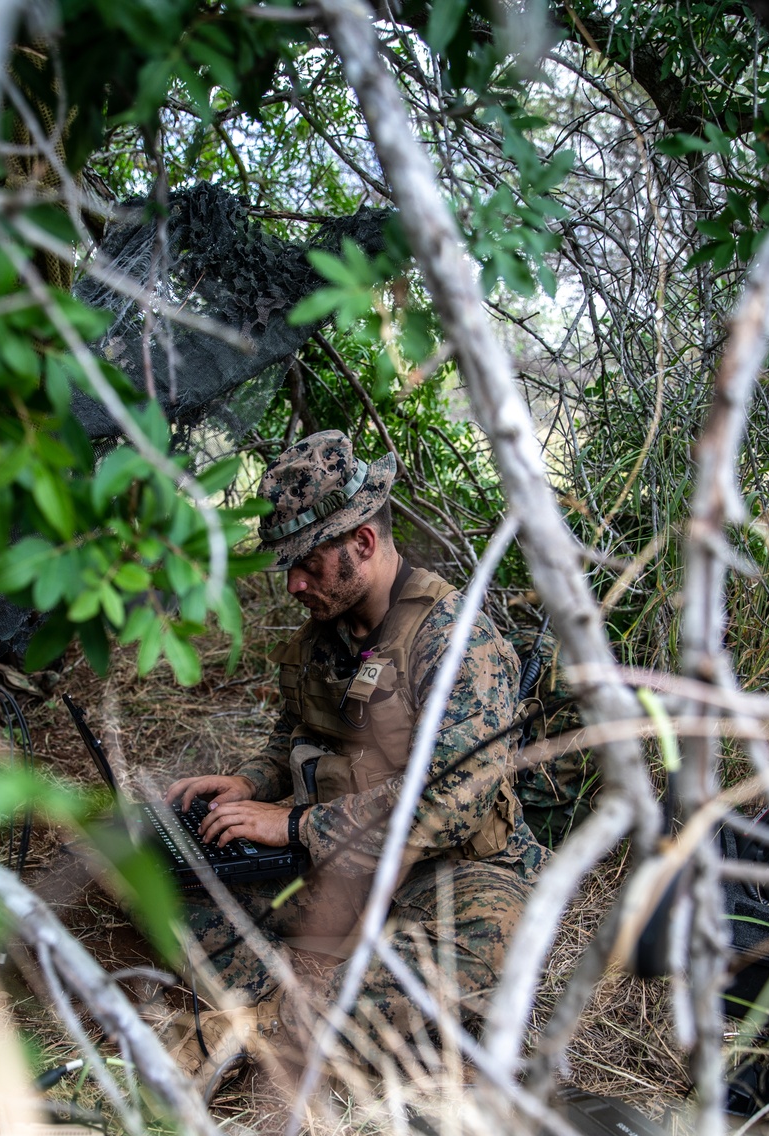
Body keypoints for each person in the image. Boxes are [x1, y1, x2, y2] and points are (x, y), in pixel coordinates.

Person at [164, 429, 547, 1080]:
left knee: (459, 969)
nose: (292, 584)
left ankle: (274, 1023)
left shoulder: (457, 643)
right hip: (336, 863)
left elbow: (451, 808)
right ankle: (288, 1010)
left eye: (307, 563)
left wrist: (291, 824)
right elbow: (296, 733)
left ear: (362, 545)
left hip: (451, 875)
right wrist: (248, 781)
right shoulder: (328, 634)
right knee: (175, 890)